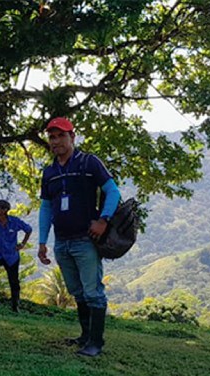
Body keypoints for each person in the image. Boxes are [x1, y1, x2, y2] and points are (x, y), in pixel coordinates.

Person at [37, 117, 121, 357]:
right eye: (52, 137)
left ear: (72, 137)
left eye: (61, 136)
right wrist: (43, 241)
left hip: (86, 240)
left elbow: (112, 191)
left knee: (93, 291)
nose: (56, 141)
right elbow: (45, 207)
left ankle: (96, 343)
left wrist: (103, 220)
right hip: (61, 242)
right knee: (78, 292)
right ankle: (85, 337)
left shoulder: (89, 163)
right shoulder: (49, 172)